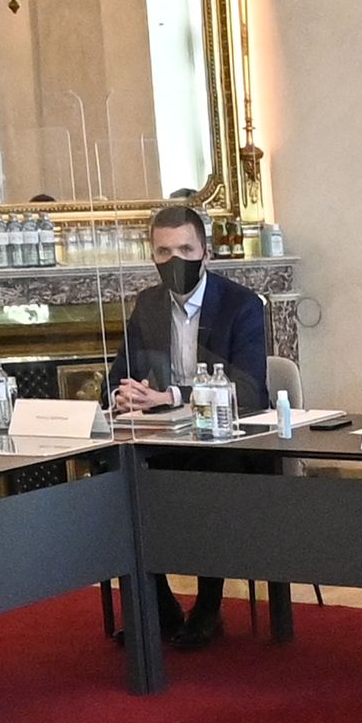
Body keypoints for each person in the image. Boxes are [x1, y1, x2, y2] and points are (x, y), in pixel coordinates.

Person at [110, 201, 271, 650]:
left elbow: (250, 388)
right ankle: (158, 607)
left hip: (225, 442)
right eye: (164, 252)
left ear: (206, 252)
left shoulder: (241, 305)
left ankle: (208, 606)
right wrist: (123, 395)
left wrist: (172, 397)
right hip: (163, 439)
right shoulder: (147, 305)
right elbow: (118, 372)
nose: (175, 260)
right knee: (121, 477)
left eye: (185, 248)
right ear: (152, 257)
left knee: (208, 478)